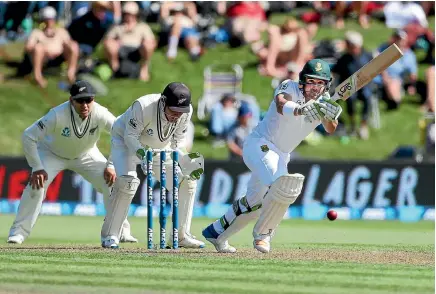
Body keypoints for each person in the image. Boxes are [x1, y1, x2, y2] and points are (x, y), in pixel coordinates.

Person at [202, 59, 342, 253]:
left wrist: (331, 116)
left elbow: (330, 129)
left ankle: (216, 232)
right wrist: (302, 109)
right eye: (311, 81)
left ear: (327, 84)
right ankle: (263, 235)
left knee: (255, 203)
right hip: (260, 144)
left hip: (282, 154)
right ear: (302, 81)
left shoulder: (323, 102)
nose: (315, 87)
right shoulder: (289, 86)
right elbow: (280, 103)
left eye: (320, 83)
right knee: (284, 187)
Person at [7, 81, 137, 245]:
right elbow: (28, 136)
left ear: (93, 100)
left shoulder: (101, 113)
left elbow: (121, 134)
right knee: (37, 185)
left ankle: (121, 231)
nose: (85, 105)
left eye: (88, 100)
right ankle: (18, 233)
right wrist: (37, 167)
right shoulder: (56, 115)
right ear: (71, 100)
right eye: (80, 100)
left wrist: (111, 164)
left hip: (86, 154)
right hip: (52, 154)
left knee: (113, 183)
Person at [101, 82, 205, 249]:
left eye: (181, 112)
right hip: (125, 141)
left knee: (187, 182)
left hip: (158, 147)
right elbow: (130, 136)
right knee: (128, 183)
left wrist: (186, 160)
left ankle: (181, 235)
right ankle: (111, 235)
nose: (177, 115)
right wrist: (143, 155)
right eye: (173, 110)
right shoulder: (143, 106)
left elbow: (177, 142)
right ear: (163, 102)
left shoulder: (186, 112)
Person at [332, 31, 373, 139]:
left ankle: (364, 125)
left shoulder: (367, 55)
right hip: (349, 87)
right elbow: (336, 72)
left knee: (367, 96)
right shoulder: (344, 58)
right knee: (350, 98)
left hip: (365, 86)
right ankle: (353, 125)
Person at [25, 6, 79, 88]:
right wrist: (41, 47)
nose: (49, 22)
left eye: (51, 19)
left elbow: (69, 44)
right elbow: (28, 47)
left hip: (58, 58)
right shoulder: (37, 32)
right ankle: (37, 76)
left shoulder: (61, 31)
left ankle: (71, 74)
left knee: (74, 45)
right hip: (43, 59)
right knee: (38, 48)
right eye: (47, 19)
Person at [104, 1, 156, 81]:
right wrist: (115, 42)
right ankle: (115, 69)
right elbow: (108, 39)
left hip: (137, 50)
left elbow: (151, 40)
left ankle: (144, 68)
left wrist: (144, 43)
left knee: (148, 44)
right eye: (126, 14)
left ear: (136, 15)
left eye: (131, 14)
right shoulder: (118, 26)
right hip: (121, 49)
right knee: (109, 43)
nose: (128, 16)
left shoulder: (143, 26)